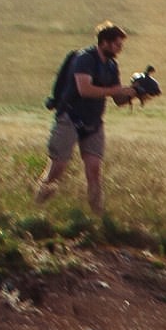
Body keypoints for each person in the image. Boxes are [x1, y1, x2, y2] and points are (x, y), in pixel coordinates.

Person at [35, 22, 138, 215]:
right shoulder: (84, 59)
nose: (120, 49)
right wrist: (115, 90)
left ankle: (97, 217)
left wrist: (134, 93)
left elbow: (117, 99)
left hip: (93, 122)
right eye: (117, 45)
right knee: (57, 168)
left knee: (94, 171)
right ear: (104, 43)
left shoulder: (111, 65)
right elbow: (85, 89)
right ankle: (36, 207)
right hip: (71, 117)